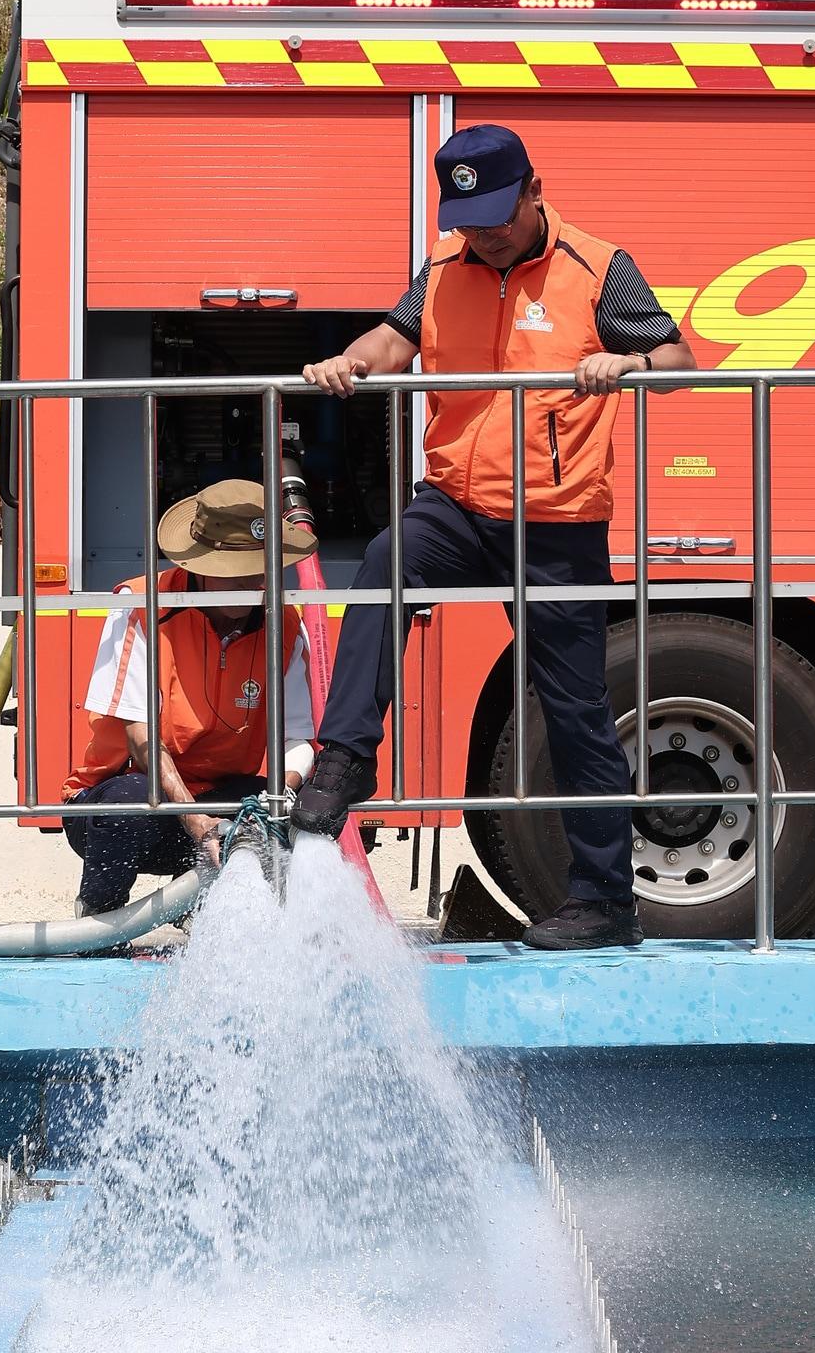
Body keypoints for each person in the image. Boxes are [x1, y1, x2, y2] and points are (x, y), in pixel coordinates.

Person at [290, 123, 697, 949]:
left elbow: (680, 357)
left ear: (535, 191)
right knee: (385, 560)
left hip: (556, 521)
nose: (483, 234)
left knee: (576, 708)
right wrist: (350, 360)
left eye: (498, 218)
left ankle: (605, 900)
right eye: (468, 218)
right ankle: (344, 758)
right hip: (456, 501)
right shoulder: (445, 265)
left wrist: (628, 364)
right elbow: (394, 337)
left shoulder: (597, 268)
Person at [63, 480, 317, 915]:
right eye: (233, 569)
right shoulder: (142, 606)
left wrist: (278, 799)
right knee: (129, 801)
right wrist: (197, 822)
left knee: (277, 813)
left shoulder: (287, 626)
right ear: (197, 563)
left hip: (217, 796)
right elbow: (140, 739)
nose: (248, 582)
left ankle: (206, 924)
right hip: (123, 799)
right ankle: (99, 925)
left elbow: (297, 737)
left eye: (258, 569)